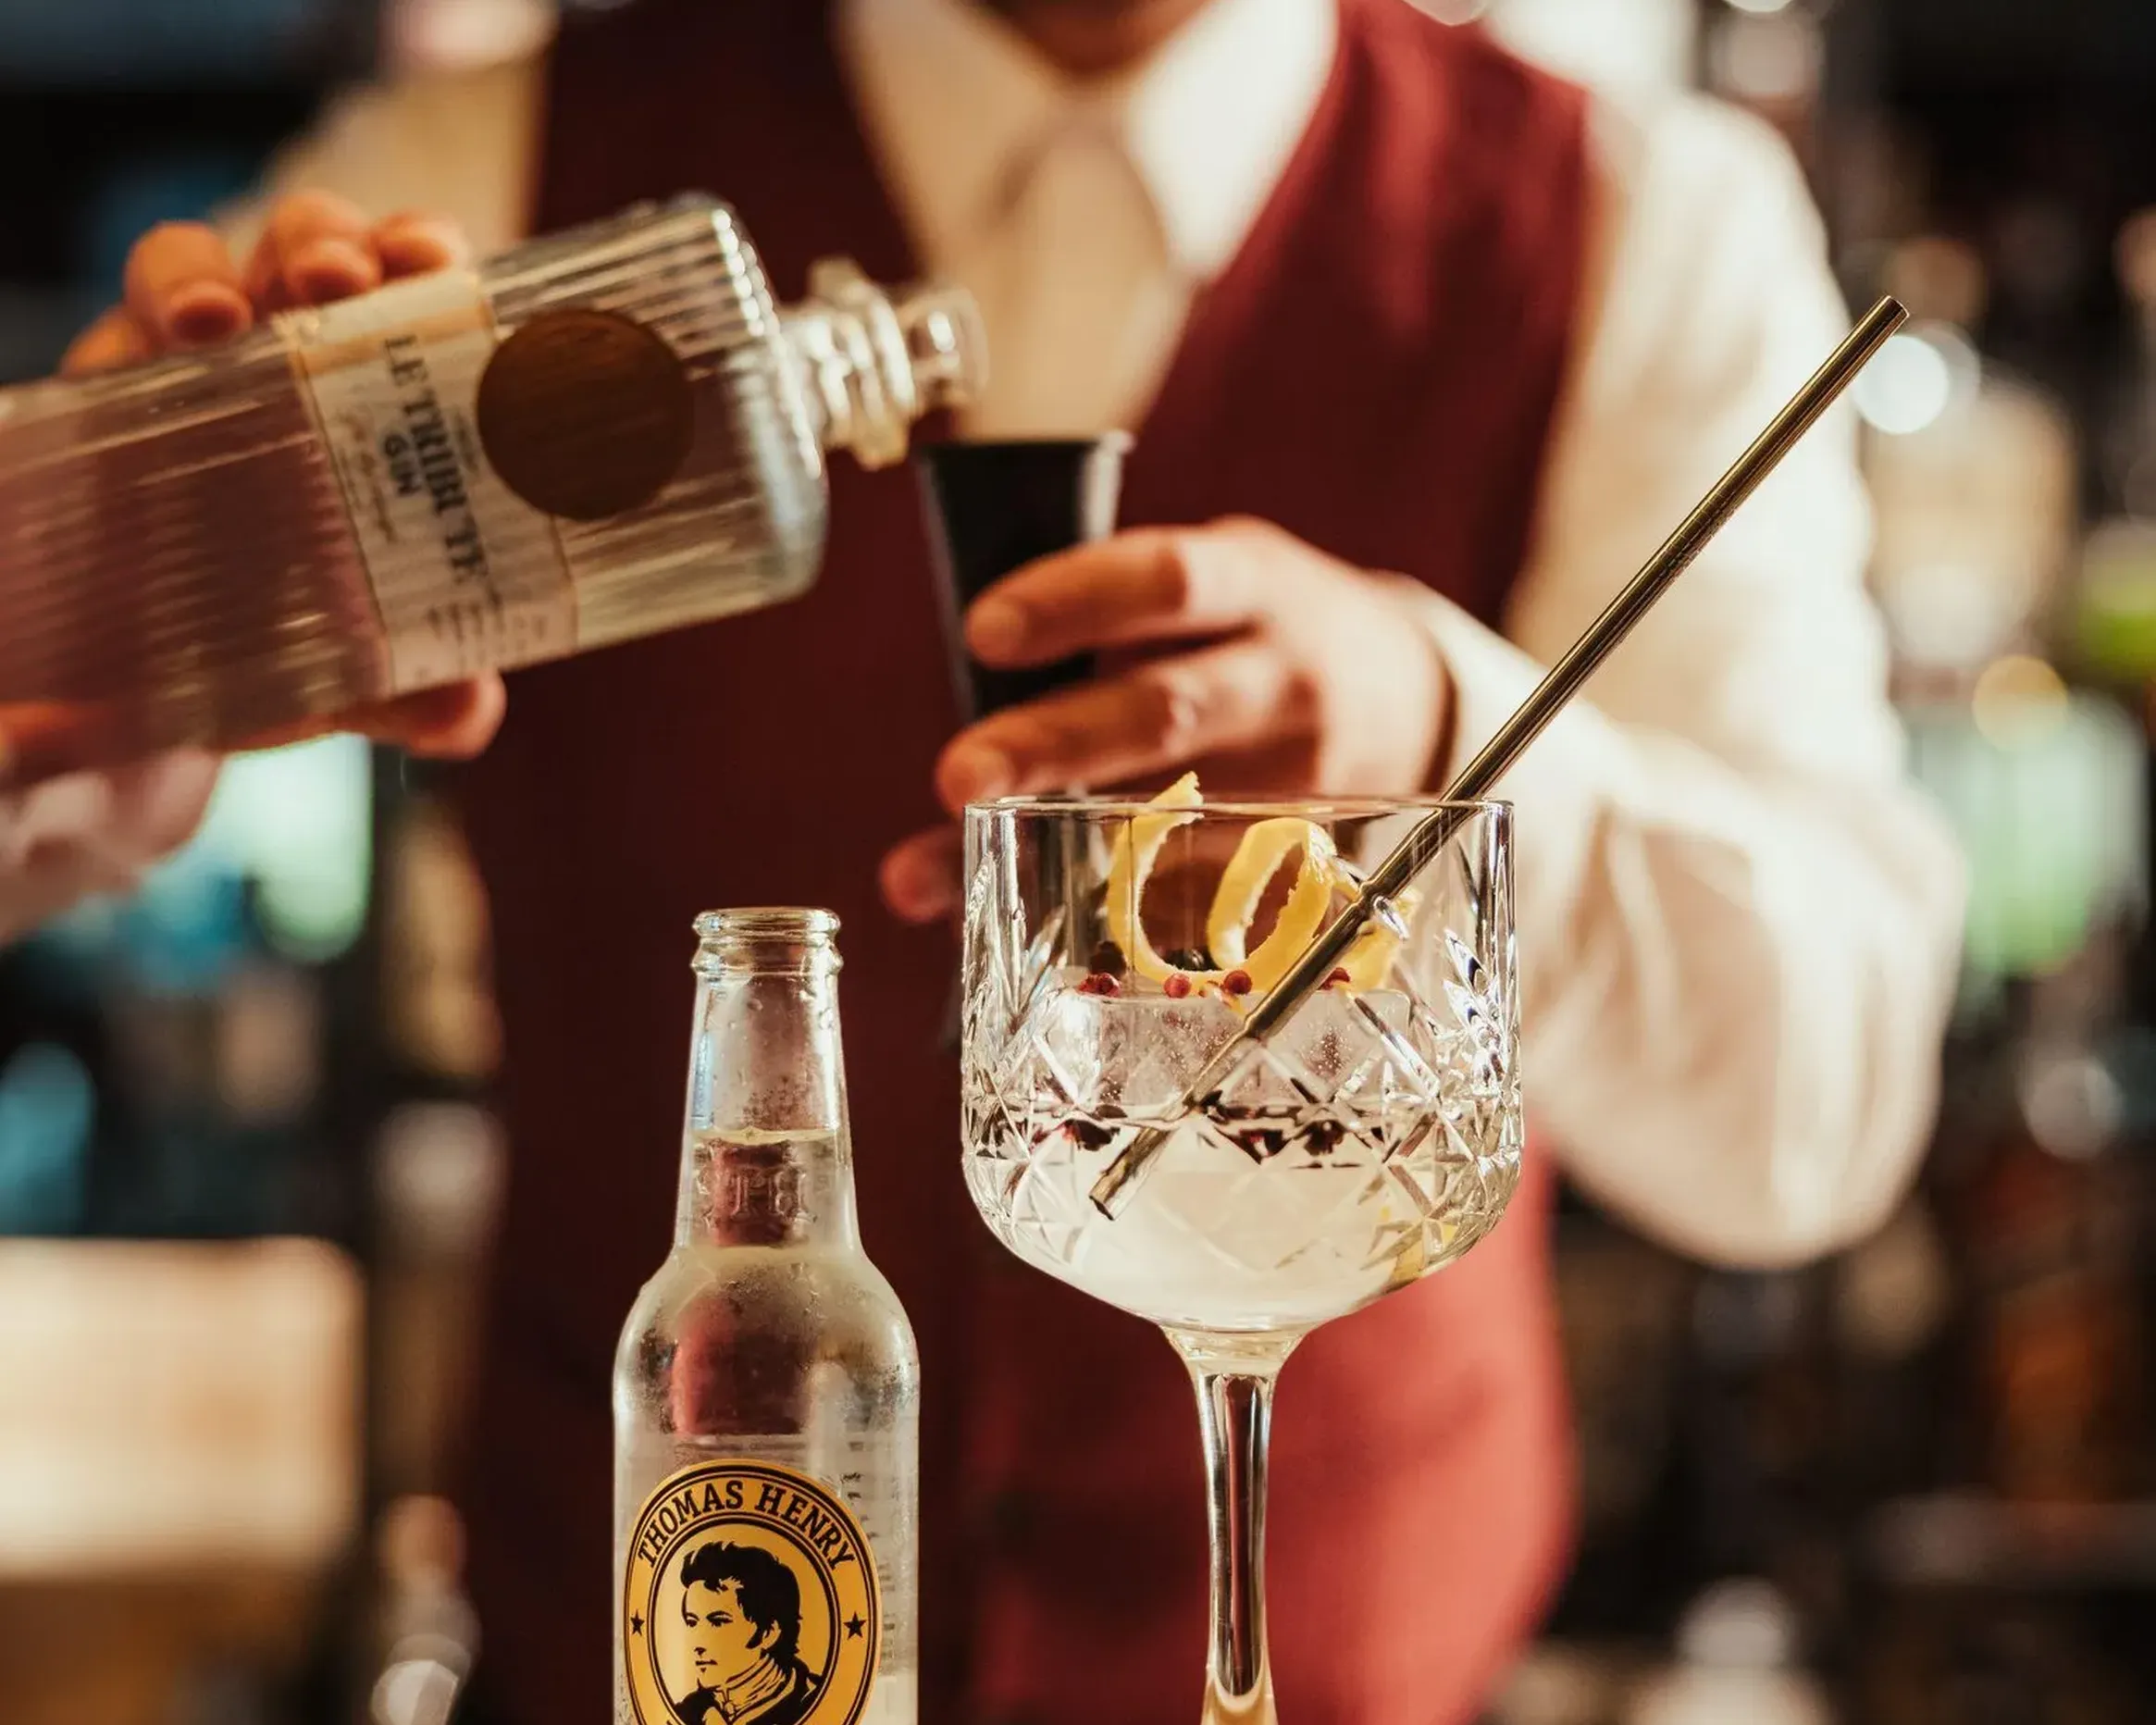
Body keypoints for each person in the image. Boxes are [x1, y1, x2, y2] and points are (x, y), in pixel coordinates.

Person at [12, 0, 1967, 1719]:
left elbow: (1821, 1111)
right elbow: (72, 755)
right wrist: (72, 694)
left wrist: (1445, 725)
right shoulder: (490, 178)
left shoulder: (1637, 223)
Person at [669, 1543, 824, 1725]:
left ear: (768, 1633)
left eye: (718, 1622)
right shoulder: (686, 1711)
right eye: (692, 1622)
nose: (697, 1644)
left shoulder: (813, 1700)